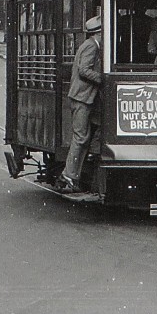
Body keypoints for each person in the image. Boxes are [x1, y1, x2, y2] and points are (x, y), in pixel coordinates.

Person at [61, 15, 104, 193]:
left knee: (91, 131)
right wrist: (102, 79)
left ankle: (76, 172)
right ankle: (69, 174)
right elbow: (84, 70)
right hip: (81, 97)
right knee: (80, 137)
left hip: (86, 97)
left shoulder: (91, 45)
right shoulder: (91, 46)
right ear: (99, 33)